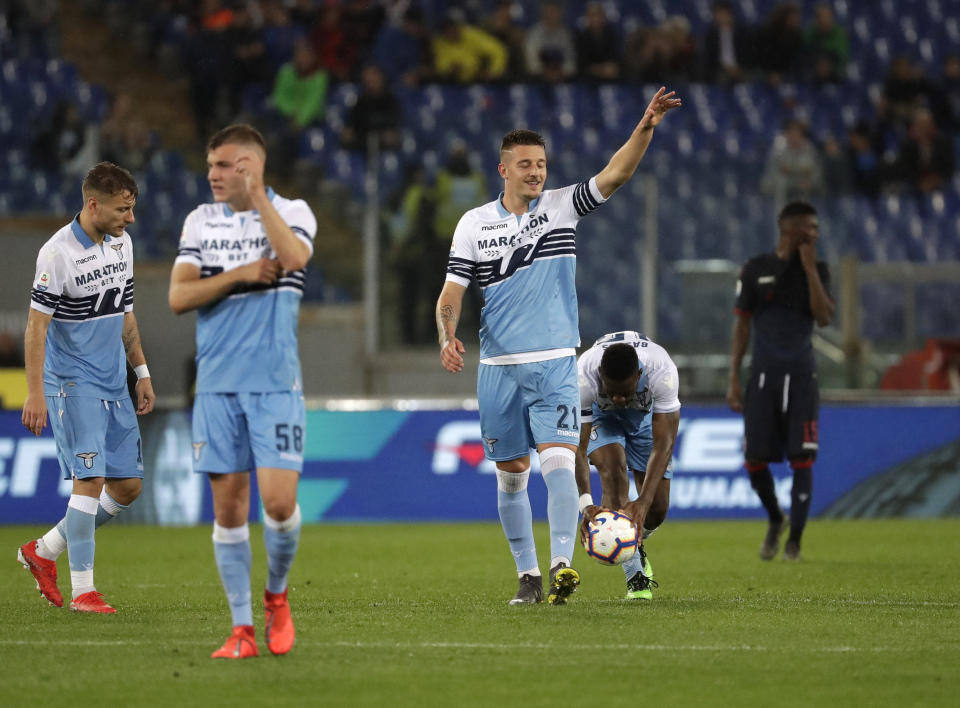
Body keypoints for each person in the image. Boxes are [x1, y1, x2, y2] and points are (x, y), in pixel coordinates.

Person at [436, 87, 681, 605]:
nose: (535, 172)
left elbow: (615, 174)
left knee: (559, 459)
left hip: (554, 364)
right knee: (511, 475)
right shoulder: (474, 225)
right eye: (524, 164)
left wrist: (647, 125)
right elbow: (452, 291)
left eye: (541, 164)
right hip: (498, 366)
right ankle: (526, 575)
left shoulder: (562, 208)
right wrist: (447, 332)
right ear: (503, 170)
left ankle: (561, 566)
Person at [169, 124, 316, 659]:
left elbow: (295, 259)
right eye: (210, 165)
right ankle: (241, 630)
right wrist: (239, 274)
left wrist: (258, 201)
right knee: (228, 514)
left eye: (225, 165)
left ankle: (276, 596)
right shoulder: (200, 222)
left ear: (252, 166)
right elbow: (179, 296)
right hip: (215, 388)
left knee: (278, 506)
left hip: (275, 384)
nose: (212, 174)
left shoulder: (294, 211)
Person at [17, 162, 155, 613]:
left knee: (129, 486)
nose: (129, 218)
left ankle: (43, 552)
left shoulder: (122, 244)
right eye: (122, 209)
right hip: (72, 382)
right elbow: (36, 329)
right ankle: (84, 593)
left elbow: (125, 315)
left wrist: (142, 372)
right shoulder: (56, 254)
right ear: (93, 204)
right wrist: (35, 392)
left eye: (131, 209)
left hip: (114, 379)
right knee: (90, 479)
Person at [726, 201, 834, 562]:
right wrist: (733, 379)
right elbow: (742, 325)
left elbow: (824, 318)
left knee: (802, 459)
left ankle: (794, 543)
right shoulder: (756, 269)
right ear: (789, 230)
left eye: (816, 229)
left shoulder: (817, 269)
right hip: (762, 378)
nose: (815, 235)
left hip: (802, 377)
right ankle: (776, 518)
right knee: (755, 458)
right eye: (810, 228)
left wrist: (808, 270)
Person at [575, 332, 681, 601]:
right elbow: (578, 447)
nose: (619, 400)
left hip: (645, 419)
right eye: (612, 392)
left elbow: (664, 443)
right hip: (601, 420)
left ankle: (630, 539)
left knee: (657, 509)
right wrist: (585, 502)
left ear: (639, 375)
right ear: (600, 375)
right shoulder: (583, 378)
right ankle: (635, 576)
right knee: (613, 471)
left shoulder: (662, 371)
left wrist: (644, 500)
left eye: (625, 393)